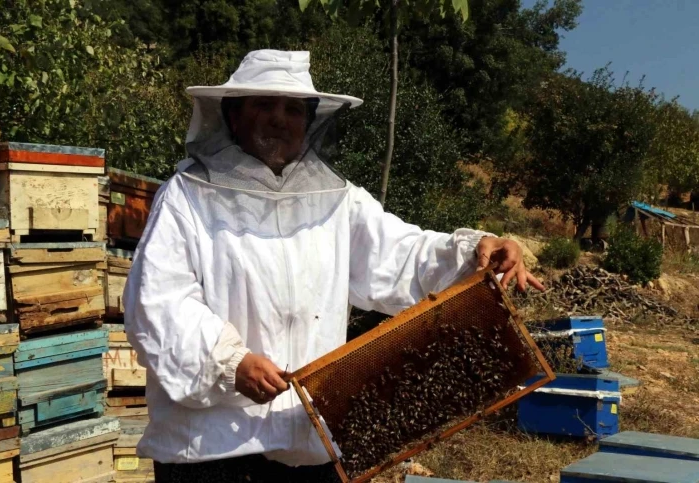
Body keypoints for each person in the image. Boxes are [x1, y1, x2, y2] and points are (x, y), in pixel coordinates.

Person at [123, 49, 544, 483]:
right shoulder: (187, 197)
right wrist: (230, 362)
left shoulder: (337, 201)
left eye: (292, 109)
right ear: (233, 115)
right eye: (263, 105)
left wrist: (475, 251)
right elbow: (158, 301)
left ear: (309, 121)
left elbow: (403, 255)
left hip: (311, 440)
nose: (278, 119)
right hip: (211, 447)